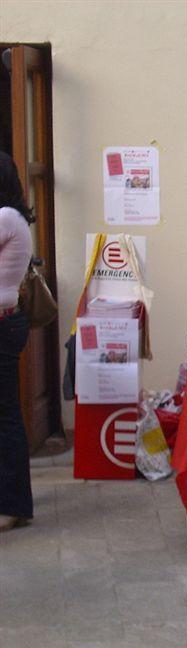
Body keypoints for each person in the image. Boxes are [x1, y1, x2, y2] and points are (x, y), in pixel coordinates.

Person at [0, 151, 35, 532]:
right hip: (8, 322)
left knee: (4, 416)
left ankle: (12, 506)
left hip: (2, 324)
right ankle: (13, 500)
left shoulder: (5, 218)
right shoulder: (14, 217)